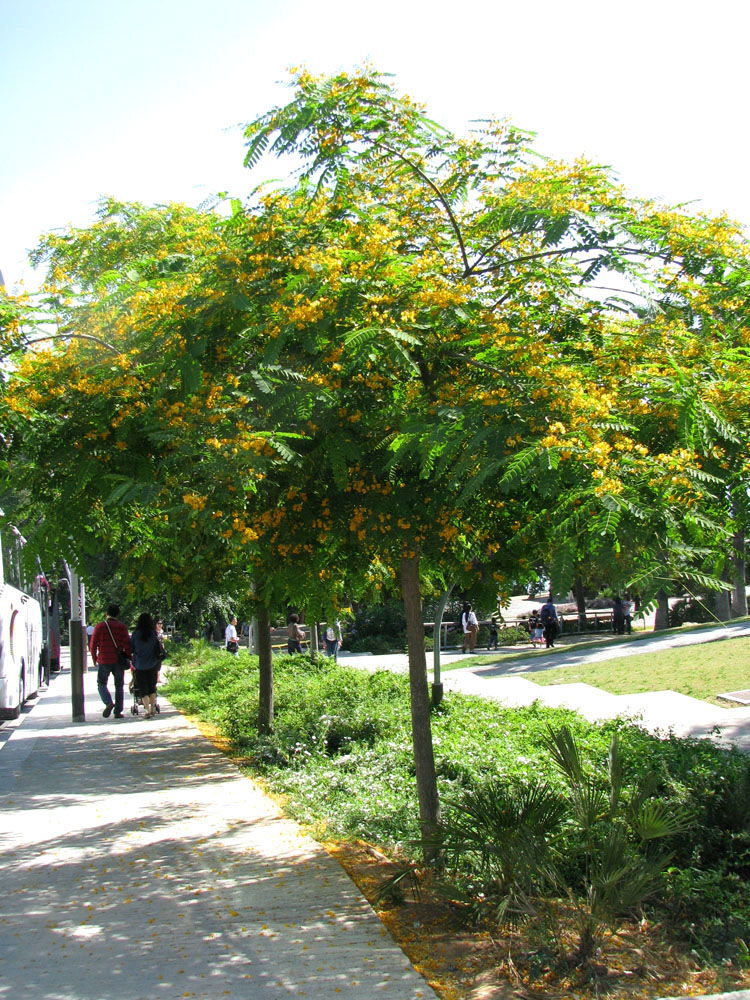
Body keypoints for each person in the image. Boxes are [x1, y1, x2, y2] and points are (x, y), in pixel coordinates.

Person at [91, 604, 131, 719]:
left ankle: (108, 702)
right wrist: (129, 657)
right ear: (118, 614)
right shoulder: (122, 627)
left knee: (101, 683)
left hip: (104, 659)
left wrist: (94, 658)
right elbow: (127, 644)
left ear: (106, 614)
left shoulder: (100, 626)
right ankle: (118, 712)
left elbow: (93, 644)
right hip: (118, 660)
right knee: (119, 686)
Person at [129, 613, 163, 718]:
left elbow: (131, 649)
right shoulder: (153, 633)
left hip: (139, 665)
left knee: (143, 688)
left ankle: (147, 710)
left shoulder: (135, 634)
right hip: (152, 664)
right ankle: (153, 708)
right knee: (152, 687)